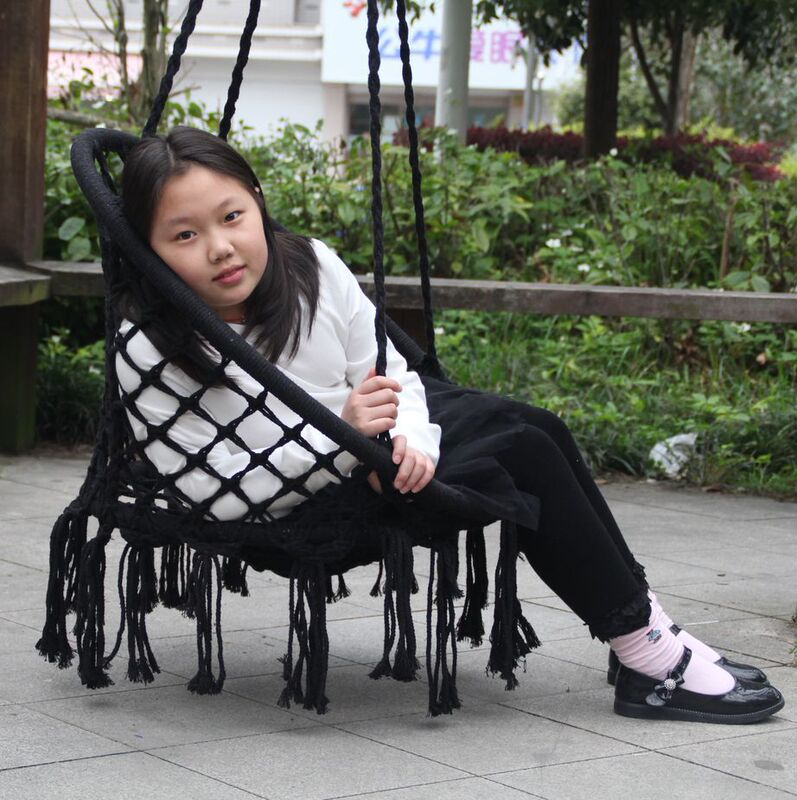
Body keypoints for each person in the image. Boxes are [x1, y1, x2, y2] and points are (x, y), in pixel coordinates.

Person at [117, 126, 784, 724]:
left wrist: (411, 439)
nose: (221, 248)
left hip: (375, 449)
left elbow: (391, 373)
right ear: (148, 248)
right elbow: (208, 492)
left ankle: (644, 632)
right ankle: (649, 657)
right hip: (297, 499)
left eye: (233, 216)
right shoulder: (148, 346)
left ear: (258, 203)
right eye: (185, 235)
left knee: (538, 428)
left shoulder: (309, 266)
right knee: (521, 453)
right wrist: (341, 440)